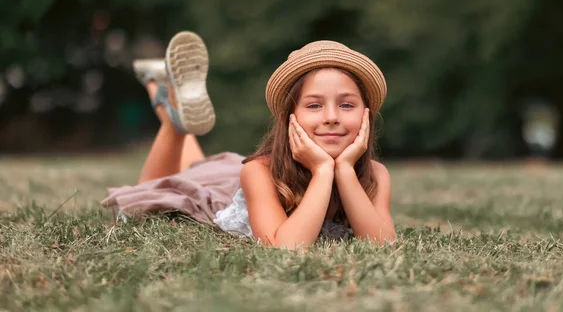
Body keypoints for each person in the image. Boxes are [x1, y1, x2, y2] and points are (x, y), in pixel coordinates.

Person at [102, 31, 396, 248]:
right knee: (156, 191)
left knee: (197, 166)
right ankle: (172, 120)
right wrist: (322, 171)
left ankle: (165, 93)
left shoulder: (375, 175)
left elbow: (383, 244)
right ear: (287, 117)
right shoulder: (259, 172)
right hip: (228, 193)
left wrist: (343, 170)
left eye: (346, 105)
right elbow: (286, 247)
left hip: (230, 175)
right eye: (314, 105)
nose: (332, 116)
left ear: (366, 116)